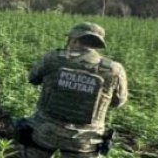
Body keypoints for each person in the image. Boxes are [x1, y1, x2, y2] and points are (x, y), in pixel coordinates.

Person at [15, 22, 128, 157]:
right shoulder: (113, 69)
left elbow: (33, 78)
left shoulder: (53, 58)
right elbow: (118, 102)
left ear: (74, 39)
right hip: (85, 140)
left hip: (45, 131)